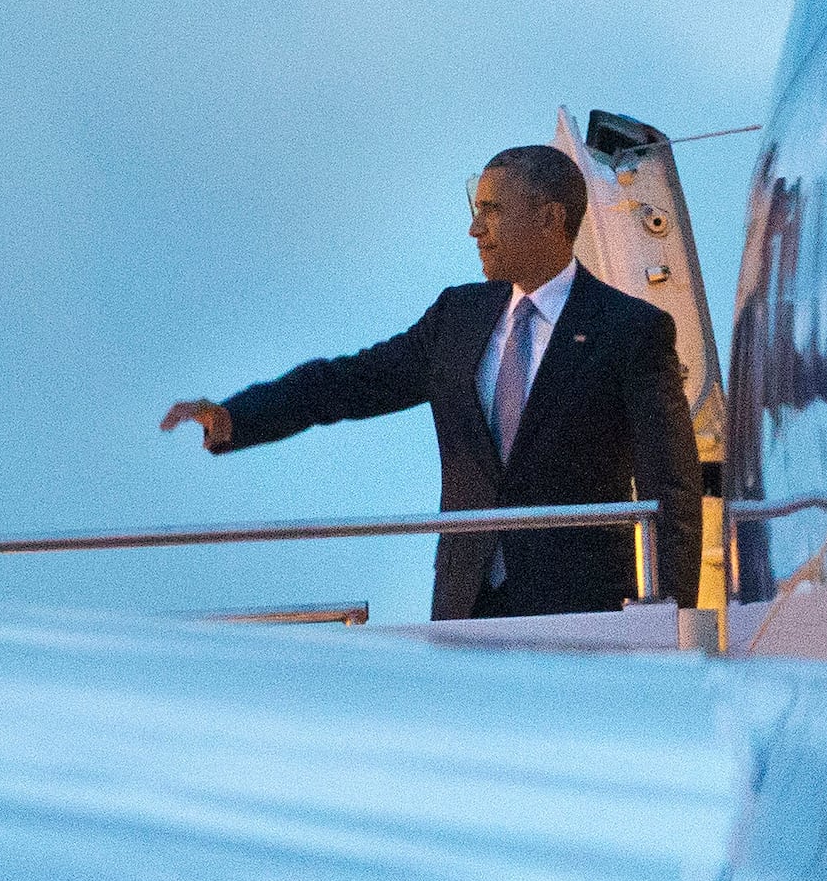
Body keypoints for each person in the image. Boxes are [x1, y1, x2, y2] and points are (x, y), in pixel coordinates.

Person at [160, 145, 705, 621]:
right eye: (476, 210)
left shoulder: (630, 330)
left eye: (491, 211)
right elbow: (350, 382)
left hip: (581, 612)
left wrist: (672, 619)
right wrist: (238, 417)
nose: (475, 229)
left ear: (549, 218)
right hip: (463, 607)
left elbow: (672, 486)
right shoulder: (457, 318)